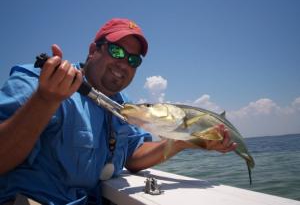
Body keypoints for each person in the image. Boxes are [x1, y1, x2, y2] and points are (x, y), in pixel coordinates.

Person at [0, 18, 236, 204]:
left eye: (134, 60)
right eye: (117, 51)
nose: (124, 63)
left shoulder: (125, 107)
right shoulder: (41, 81)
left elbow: (133, 156)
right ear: (93, 50)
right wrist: (44, 100)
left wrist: (185, 141)